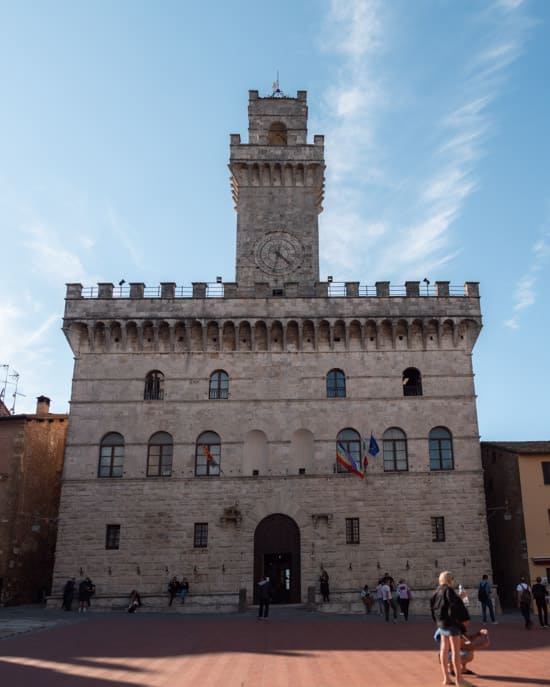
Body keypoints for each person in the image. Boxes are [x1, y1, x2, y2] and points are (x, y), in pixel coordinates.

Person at [430, 570, 471, 687]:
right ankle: (459, 679)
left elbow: (435, 607)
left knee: (443, 651)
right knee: (455, 651)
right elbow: (454, 606)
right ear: (450, 580)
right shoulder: (449, 590)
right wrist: (463, 619)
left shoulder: (436, 591)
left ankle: (446, 678)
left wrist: (437, 622)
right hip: (451, 624)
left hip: (441, 624)